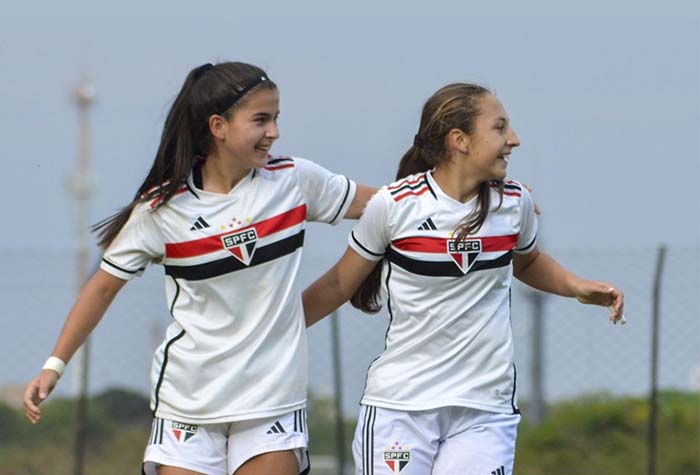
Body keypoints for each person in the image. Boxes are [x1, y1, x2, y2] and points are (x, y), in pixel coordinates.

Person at [23, 61, 374, 475]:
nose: (274, 132)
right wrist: (54, 365)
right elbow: (100, 288)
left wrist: (454, 193)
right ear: (218, 127)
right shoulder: (162, 210)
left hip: (272, 402)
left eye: (276, 118)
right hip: (187, 405)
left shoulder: (294, 181)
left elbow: (387, 206)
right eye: (261, 120)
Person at [302, 83, 625, 475]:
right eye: (500, 127)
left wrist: (575, 287)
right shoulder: (394, 206)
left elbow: (527, 261)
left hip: (484, 410)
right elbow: (339, 284)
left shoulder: (514, 203)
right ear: (460, 140)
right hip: (400, 408)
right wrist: (271, 330)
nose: (514, 139)